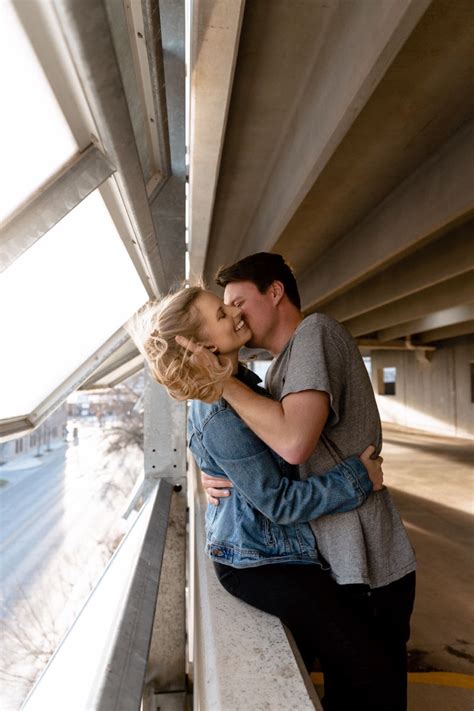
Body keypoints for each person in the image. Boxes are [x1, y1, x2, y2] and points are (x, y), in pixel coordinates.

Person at [130, 285, 403, 711]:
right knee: (367, 668)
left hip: (279, 553)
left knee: (345, 664)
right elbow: (278, 502)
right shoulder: (219, 409)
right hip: (259, 564)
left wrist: (211, 467)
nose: (234, 313)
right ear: (203, 345)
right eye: (221, 314)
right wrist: (357, 478)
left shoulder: (243, 384)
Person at [193, 252, 416, 711]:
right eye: (225, 308)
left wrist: (217, 381)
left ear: (275, 292)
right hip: (331, 558)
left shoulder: (315, 332)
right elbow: (255, 452)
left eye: (238, 301)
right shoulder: (272, 374)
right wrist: (210, 464)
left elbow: (293, 443)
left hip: (367, 559)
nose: (234, 313)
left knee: (375, 691)